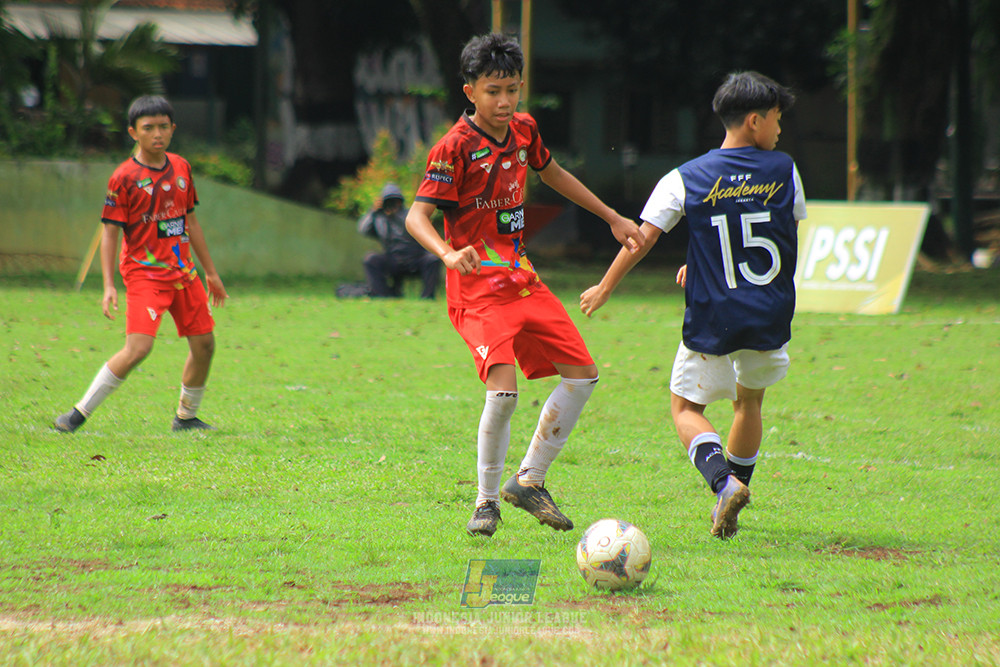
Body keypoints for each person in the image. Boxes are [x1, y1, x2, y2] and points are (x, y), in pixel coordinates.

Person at [406, 32, 645, 537]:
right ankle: (485, 502)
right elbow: (416, 217)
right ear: (469, 90)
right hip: (475, 289)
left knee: (582, 376)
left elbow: (553, 172)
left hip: (522, 279)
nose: (505, 101)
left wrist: (610, 216)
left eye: (513, 89)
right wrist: (448, 253)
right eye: (494, 90)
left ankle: (529, 481)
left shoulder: (523, 130)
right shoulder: (453, 148)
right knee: (504, 395)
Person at [580, 71, 807, 538]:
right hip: (768, 311)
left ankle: (724, 484)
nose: (780, 131)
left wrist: (605, 287)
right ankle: (737, 489)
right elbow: (781, 237)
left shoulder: (686, 177)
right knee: (750, 401)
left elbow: (640, 240)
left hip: (714, 313)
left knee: (685, 407)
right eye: (777, 120)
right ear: (754, 121)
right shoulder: (785, 169)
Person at [54, 95, 228, 433]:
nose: (157, 134)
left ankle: (186, 418)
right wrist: (108, 285)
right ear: (133, 132)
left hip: (184, 273)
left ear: (173, 129)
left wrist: (211, 273)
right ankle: (77, 414)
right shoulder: (124, 178)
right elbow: (109, 234)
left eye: (163, 127)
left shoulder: (181, 167)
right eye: (148, 128)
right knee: (138, 348)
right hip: (144, 275)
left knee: (205, 345)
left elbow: (191, 223)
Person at [357, 183, 440, 299]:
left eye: (395, 201)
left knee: (433, 259)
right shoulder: (379, 218)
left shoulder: (409, 214)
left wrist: (396, 215)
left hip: (415, 257)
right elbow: (362, 229)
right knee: (370, 259)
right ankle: (383, 294)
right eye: (389, 201)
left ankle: (428, 296)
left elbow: (418, 227)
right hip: (393, 258)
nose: (392, 205)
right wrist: (373, 211)